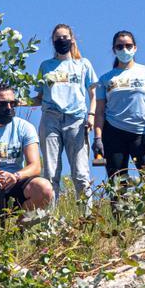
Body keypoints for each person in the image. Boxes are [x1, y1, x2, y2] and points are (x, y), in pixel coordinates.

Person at [36, 24, 98, 206]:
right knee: (51, 173)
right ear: (52, 41)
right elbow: (39, 97)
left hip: (76, 120)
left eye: (65, 37)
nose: (61, 41)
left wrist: (92, 115)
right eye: (57, 38)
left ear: (72, 39)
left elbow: (93, 94)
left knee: (80, 173)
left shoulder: (83, 64)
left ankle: (87, 219)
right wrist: (17, 100)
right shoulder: (46, 66)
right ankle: (50, 219)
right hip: (51, 119)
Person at [94, 31, 145, 178]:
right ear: (114, 50)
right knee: (118, 187)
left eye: (128, 45)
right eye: (119, 46)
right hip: (113, 134)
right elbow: (99, 111)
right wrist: (98, 138)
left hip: (143, 134)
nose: (124, 49)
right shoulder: (105, 79)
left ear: (135, 48)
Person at [0, 84, 53, 217]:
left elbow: (35, 166)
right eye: (2, 104)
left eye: (12, 103)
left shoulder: (24, 127)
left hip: (15, 182)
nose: (8, 108)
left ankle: (19, 228)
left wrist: (15, 176)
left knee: (44, 188)